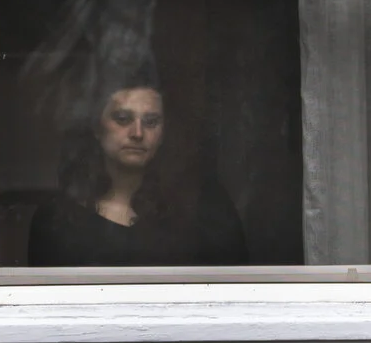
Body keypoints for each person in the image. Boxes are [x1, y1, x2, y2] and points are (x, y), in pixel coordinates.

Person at [25, 78, 246, 267]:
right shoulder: (57, 219)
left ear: (163, 133)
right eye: (123, 119)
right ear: (96, 127)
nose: (138, 133)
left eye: (151, 122)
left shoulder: (202, 208)